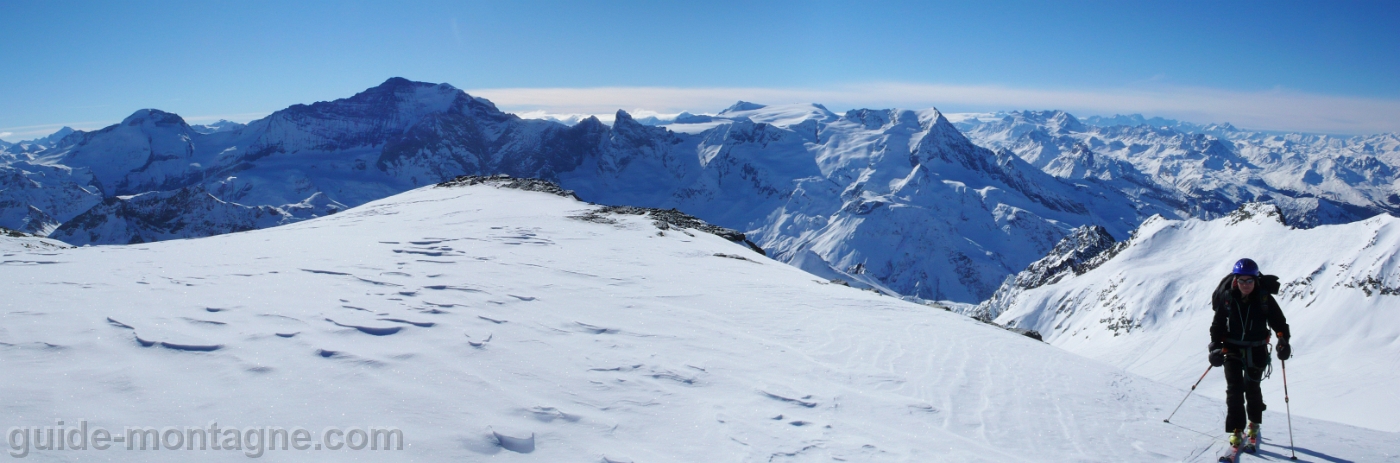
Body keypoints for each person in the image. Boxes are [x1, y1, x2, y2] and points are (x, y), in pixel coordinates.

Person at [1208, 258, 1291, 453]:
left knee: (1252, 388)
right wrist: (1214, 347)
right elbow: (1218, 325)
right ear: (1235, 280)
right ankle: (1237, 428)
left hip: (1257, 349)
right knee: (1234, 389)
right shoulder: (1228, 298)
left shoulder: (1264, 299)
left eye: (1249, 281)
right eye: (1242, 281)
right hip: (1232, 349)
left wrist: (1283, 341)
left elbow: (1279, 323)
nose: (1245, 285)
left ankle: (1253, 423)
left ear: (1256, 281)